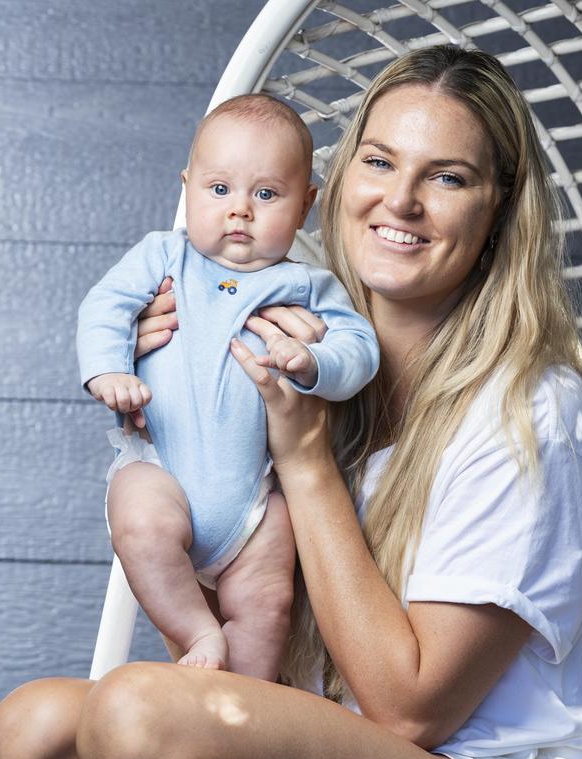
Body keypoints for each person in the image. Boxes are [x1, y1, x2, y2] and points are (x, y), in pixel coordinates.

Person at [0, 44, 582, 759]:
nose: (402, 201)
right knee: (27, 737)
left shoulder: (530, 409)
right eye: (380, 163)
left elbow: (411, 709)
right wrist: (169, 390)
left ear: (498, 209)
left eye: (447, 176)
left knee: (135, 713)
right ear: (335, 187)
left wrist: (302, 459)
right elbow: (219, 645)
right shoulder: (306, 353)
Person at [76, 94, 379, 679]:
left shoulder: (307, 286)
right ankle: (199, 631)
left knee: (268, 601)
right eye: (219, 190)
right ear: (187, 187)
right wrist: (109, 370)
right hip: (162, 469)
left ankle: (246, 702)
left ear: (305, 205)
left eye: (265, 194)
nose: (239, 210)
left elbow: (360, 350)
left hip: (254, 505)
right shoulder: (164, 257)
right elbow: (105, 306)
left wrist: (314, 360)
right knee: (138, 521)